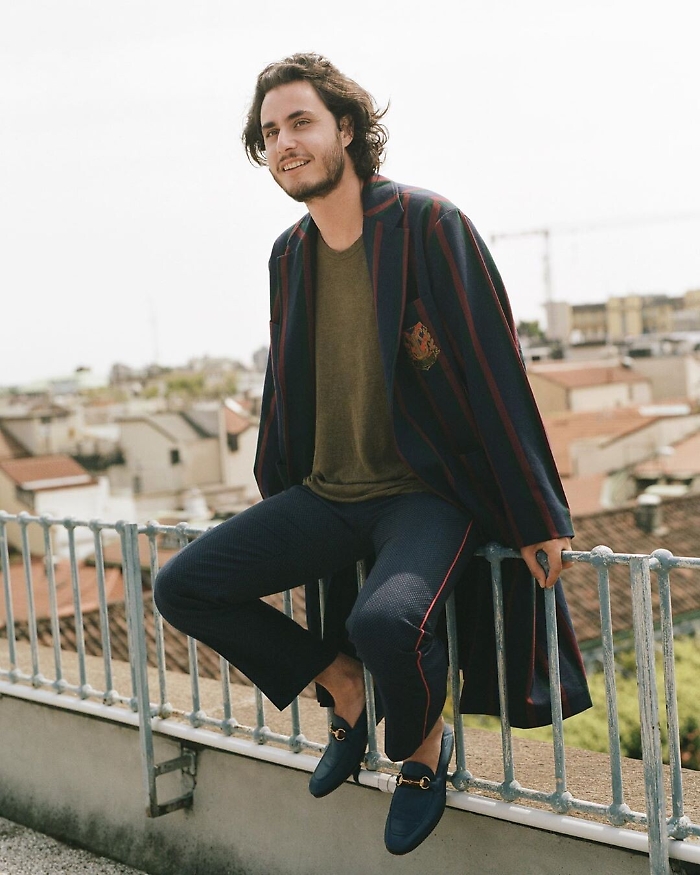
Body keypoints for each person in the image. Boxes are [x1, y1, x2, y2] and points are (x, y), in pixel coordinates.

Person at [154, 52, 591, 856]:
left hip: (426, 493)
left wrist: (538, 512)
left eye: (301, 122)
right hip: (326, 494)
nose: (284, 142)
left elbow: (496, 369)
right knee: (184, 584)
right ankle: (344, 685)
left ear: (347, 129)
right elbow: (285, 387)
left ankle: (421, 753)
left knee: (385, 620)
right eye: (269, 132)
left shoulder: (428, 225)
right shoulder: (289, 254)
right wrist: (275, 491)